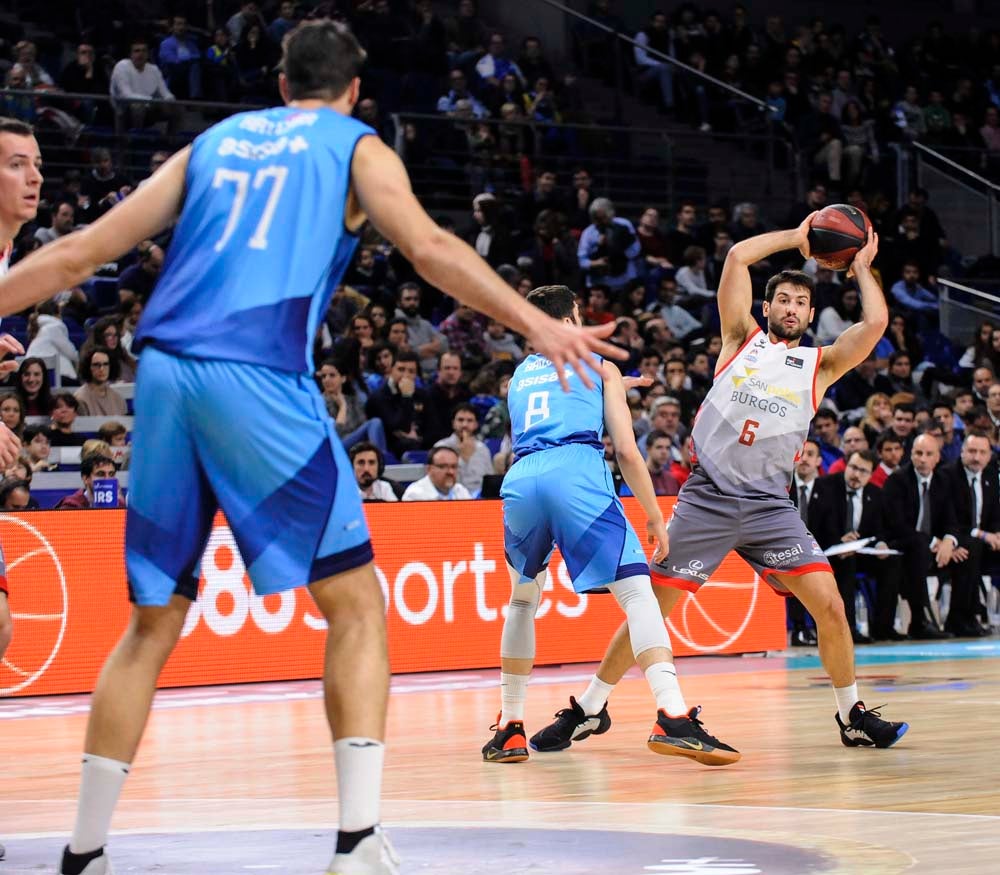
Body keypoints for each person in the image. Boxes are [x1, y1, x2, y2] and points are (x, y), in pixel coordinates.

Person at [0, 21, 621, 875]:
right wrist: (538, 323)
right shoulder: (354, 145)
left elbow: (79, 253)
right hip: (256, 372)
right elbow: (432, 248)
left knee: (152, 622)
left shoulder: (214, 142)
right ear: (352, 90)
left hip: (165, 375)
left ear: (282, 83)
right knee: (358, 605)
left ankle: (84, 852)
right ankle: (357, 841)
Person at [535, 216, 910, 756]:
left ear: (808, 314)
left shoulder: (819, 366)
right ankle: (588, 709)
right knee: (650, 611)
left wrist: (862, 268)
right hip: (708, 498)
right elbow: (736, 258)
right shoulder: (740, 339)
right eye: (781, 299)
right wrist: (796, 237)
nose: (789, 308)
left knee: (829, 604)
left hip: (768, 508)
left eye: (799, 303)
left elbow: (873, 325)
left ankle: (850, 714)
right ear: (766, 306)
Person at [487, 283, 739, 767]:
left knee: (522, 600)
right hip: (575, 471)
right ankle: (673, 714)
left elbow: (557, 399)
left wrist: (611, 387)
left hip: (521, 477)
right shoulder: (598, 364)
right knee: (638, 592)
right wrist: (654, 514)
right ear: (570, 319)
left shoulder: (519, 375)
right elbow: (625, 450)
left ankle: (510, 728)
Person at [401, 444, 472, 500]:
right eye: (443, 466)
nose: (450, 472)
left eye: (454, 466)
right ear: (429, 469)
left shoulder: (461, 491)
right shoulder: (415, 494)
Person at [53, 453, 121, 509]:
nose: (107, 479)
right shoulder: (71, 506)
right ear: (85, 479)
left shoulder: (120, 504)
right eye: (100, 474)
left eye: (111, 474)